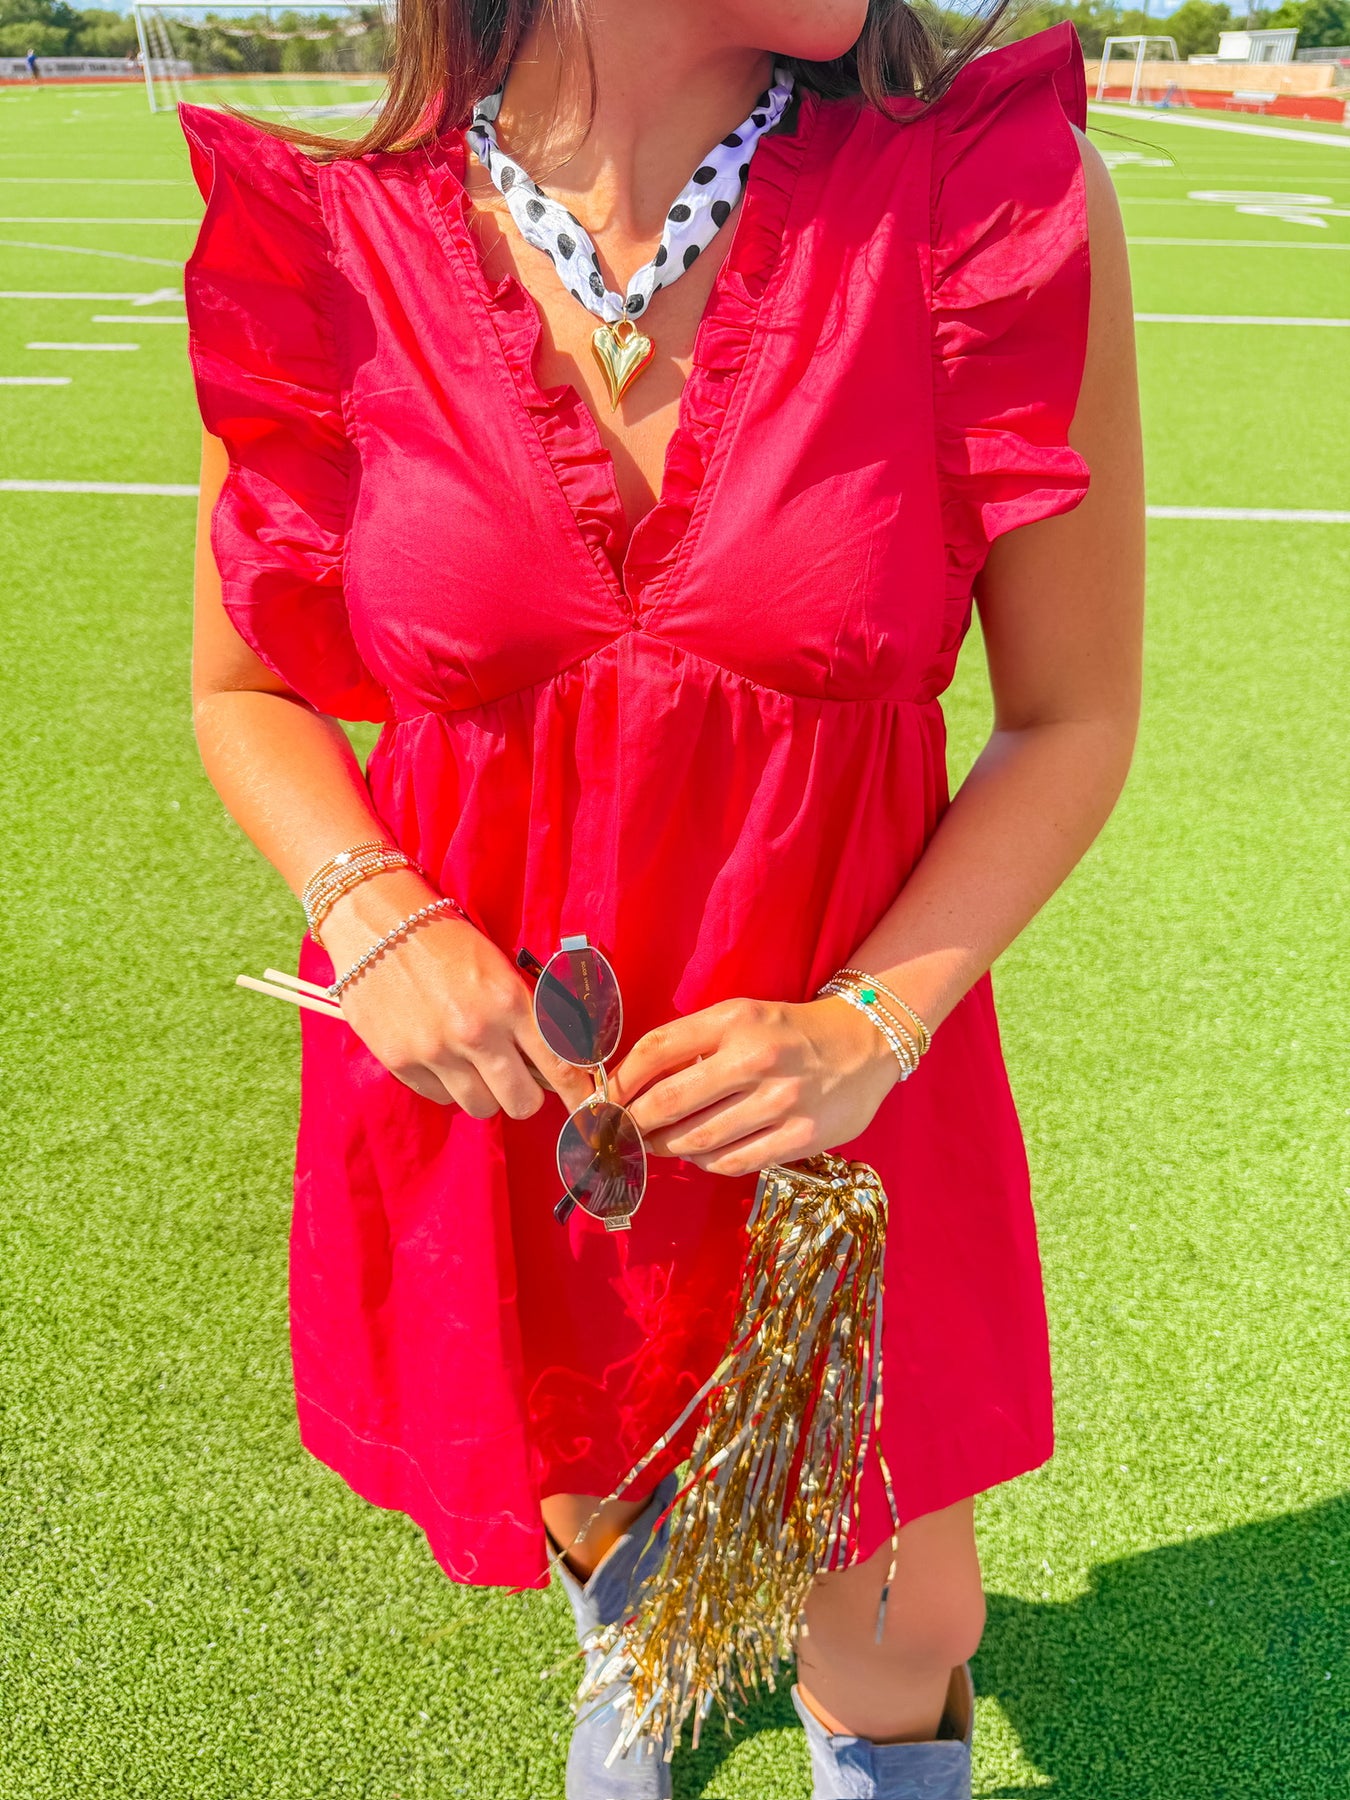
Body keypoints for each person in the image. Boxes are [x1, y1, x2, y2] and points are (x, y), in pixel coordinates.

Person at [183, 0, 1143, 1793]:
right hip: (503, 1091)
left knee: (896, 1616)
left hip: (841, 1094)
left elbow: (1071, 717)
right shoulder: (334, 238)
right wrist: (373, 911)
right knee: (591, 1480)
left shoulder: (989, 203)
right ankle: (643, 1634)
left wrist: (866, 1025)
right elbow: (243, 691)